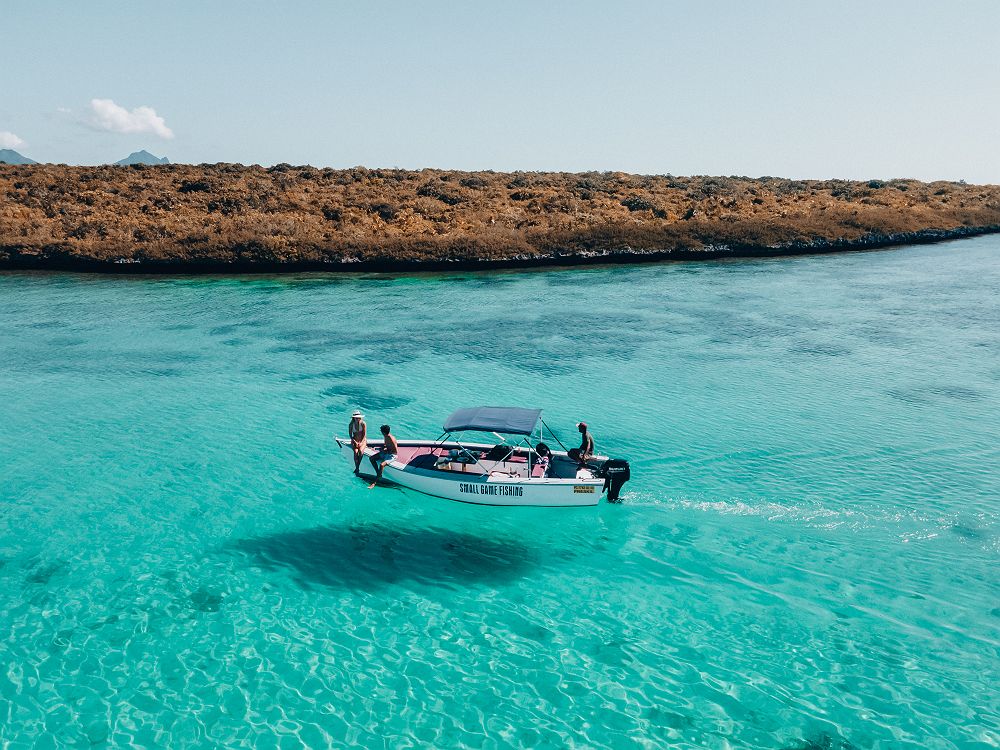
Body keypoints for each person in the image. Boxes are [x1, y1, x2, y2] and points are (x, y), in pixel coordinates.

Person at [368, 424, 398, 488]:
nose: (380, 431)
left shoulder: (391, 438)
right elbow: (387, 446)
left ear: (383, 432)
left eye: (381, 430)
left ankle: (375, 482)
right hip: (386, 452)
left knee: (382, 465)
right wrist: (382, 449)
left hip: (392, 455)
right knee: (371, 458)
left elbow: (395, 451)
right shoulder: (386, 436)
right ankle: (378, 473)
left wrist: (385, 450)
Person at [348, 410, 367, 474]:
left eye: (359, 418)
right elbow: (350, 435)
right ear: (354, 418)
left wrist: (361, 442)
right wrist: (355, 441)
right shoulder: (351, 425)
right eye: (357, 418)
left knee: (361, 452)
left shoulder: (363, 423)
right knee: (356, 452)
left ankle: (357, 468)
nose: (358, 419)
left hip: (362, 440)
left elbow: (364, 435)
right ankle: (357, 468)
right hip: (354, 440)